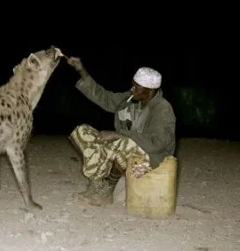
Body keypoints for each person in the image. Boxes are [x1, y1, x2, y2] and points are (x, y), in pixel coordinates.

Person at [67, 56, 176, 206]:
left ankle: (108, 191)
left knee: (123, 142)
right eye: (133, 84)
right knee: (83, 131)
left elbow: (156, 144)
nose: (132, 89)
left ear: (150, 91)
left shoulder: (162, 109)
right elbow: (103, 97)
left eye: (137, 87)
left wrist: (119, 134)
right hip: (126, 149)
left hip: (153, 158)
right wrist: (81, 70)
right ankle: (98, 184)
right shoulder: (130, 99)